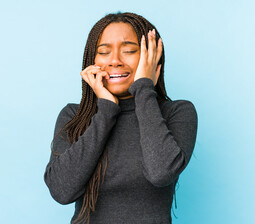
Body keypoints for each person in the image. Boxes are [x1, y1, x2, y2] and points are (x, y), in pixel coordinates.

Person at [43, 12, 198, 224]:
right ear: (92, 61)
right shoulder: (73, 116)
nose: (115, 61)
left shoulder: (177, 113)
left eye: (129, 51)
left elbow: (160, 173)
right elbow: (62, 191)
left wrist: (143, 87)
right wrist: (106, 110)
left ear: (151, 58)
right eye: (104, 52)